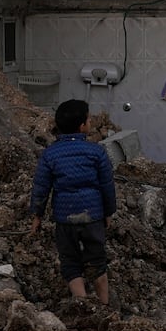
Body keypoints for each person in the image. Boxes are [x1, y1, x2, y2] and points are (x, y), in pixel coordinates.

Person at [29, 99, 117, 304]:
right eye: (88, 119)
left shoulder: (50, 154)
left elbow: (41, 188)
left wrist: (37, 215)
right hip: (92, 216)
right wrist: (108, 212)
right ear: (82, 126)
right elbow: (107, 186)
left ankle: (81, 301)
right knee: (97, 261)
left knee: (70, 261)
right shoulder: (96, 152)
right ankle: (104, 306)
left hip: (64, 217)